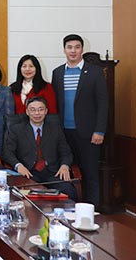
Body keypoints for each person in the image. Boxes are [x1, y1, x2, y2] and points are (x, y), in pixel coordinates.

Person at [52, 34, 108, 206]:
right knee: (66, 173)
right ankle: (70, 209)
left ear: (82, 49)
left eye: (77, 47)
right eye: (69, 47)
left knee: (90, 174)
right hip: (64, 133)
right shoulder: (57, 73)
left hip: (89, 133)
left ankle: (92, 211)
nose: (73, 51)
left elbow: (103, 103)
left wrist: (99, 130)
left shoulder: (95, 72)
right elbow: (56, 104)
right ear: (64, 50)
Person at [2, 97, 77, 200]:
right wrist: (18, 166)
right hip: (28, 172)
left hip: (53, 173)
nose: (37, 113)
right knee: (26, 196)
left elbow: (66, 152)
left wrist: (65, 165)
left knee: (69, 192)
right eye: (33, 110)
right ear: (27, 112)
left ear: (46, 111)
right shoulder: (17, 130)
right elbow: (7, 153)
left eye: (41, 109)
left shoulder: (55, 129)